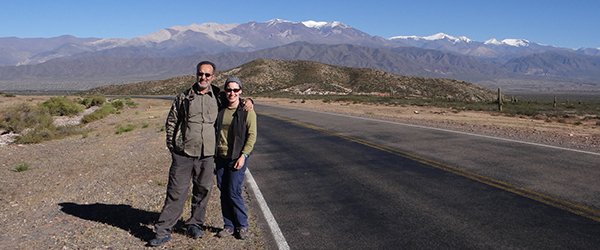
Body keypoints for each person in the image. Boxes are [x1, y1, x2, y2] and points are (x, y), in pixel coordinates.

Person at [148, 61, 252, 247]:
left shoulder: (219, 96)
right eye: (200, 74)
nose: (203, 78)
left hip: (207, 156)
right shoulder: (184, 97)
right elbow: (171, 122)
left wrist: (249, 102)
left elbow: (235, 101)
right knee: (176, 192)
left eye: (207, 75)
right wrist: (173, 148)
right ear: (196, 74)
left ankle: (195, 224)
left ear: (213, 77)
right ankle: (163, 230)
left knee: (203, 191)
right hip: (184, 154)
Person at [214, 76, 257, 240]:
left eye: (235, 90)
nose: (232, 93)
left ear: (241, 91)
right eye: (229, 89)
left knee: (233, 191)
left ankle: (242, 225)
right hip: (220, 156)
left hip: (236, 157)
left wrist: (244, 156)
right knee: (223, 191)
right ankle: (229, 225)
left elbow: (252, 136)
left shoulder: (247, 111)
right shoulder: (221, 107)